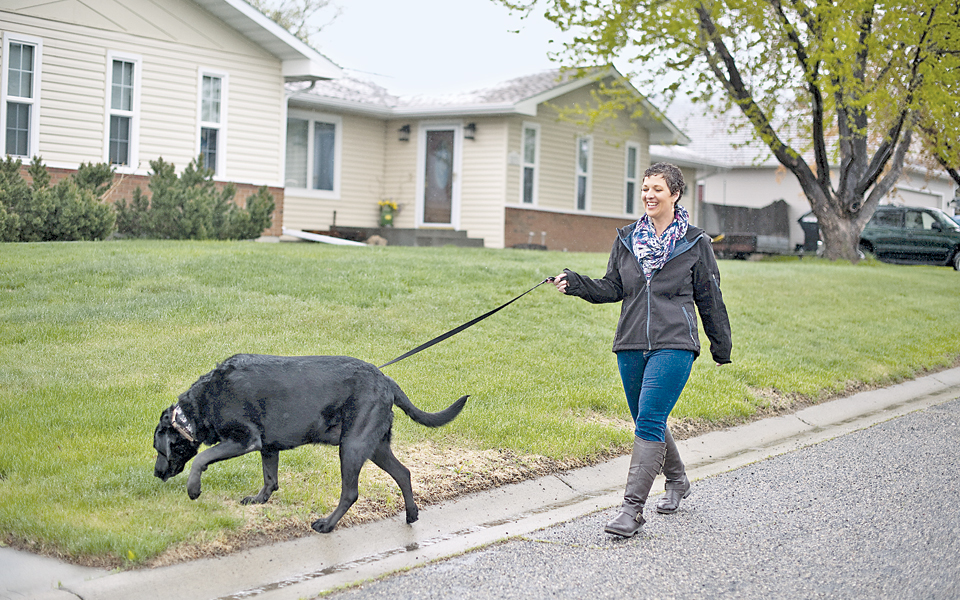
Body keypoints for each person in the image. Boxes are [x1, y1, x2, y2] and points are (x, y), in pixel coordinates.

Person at [553, 162, 732, 538]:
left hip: (675, 342)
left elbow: (709, 297)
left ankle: (632, 510)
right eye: (645, 188)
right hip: (631, 342)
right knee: (646, 419)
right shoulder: (627, 238)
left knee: (650, 419)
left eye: (658, 189)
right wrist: (577, 283)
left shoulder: (696, 243)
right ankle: (678, 481)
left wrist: (720, 344)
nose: (649, 195)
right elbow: (614, 287)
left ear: (675, 194)